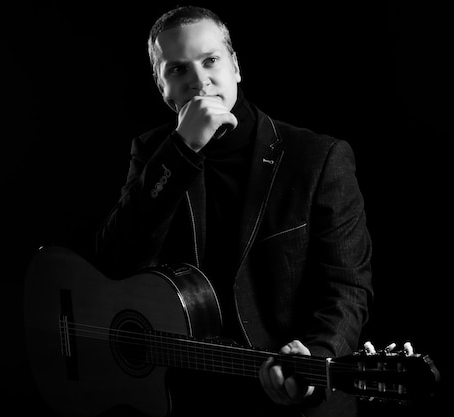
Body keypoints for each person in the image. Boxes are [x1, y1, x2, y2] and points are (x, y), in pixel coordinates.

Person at [95, 5, 374, 417]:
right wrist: (181, 151)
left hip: (290, 392)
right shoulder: (153, 153)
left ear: (236, 66)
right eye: (177, 71)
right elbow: (117, 263)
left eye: (210, 61)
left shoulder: (317, 157)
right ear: (163, 88)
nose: (199, 82)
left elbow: (348, 288)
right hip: (186, 395)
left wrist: (313, 360)